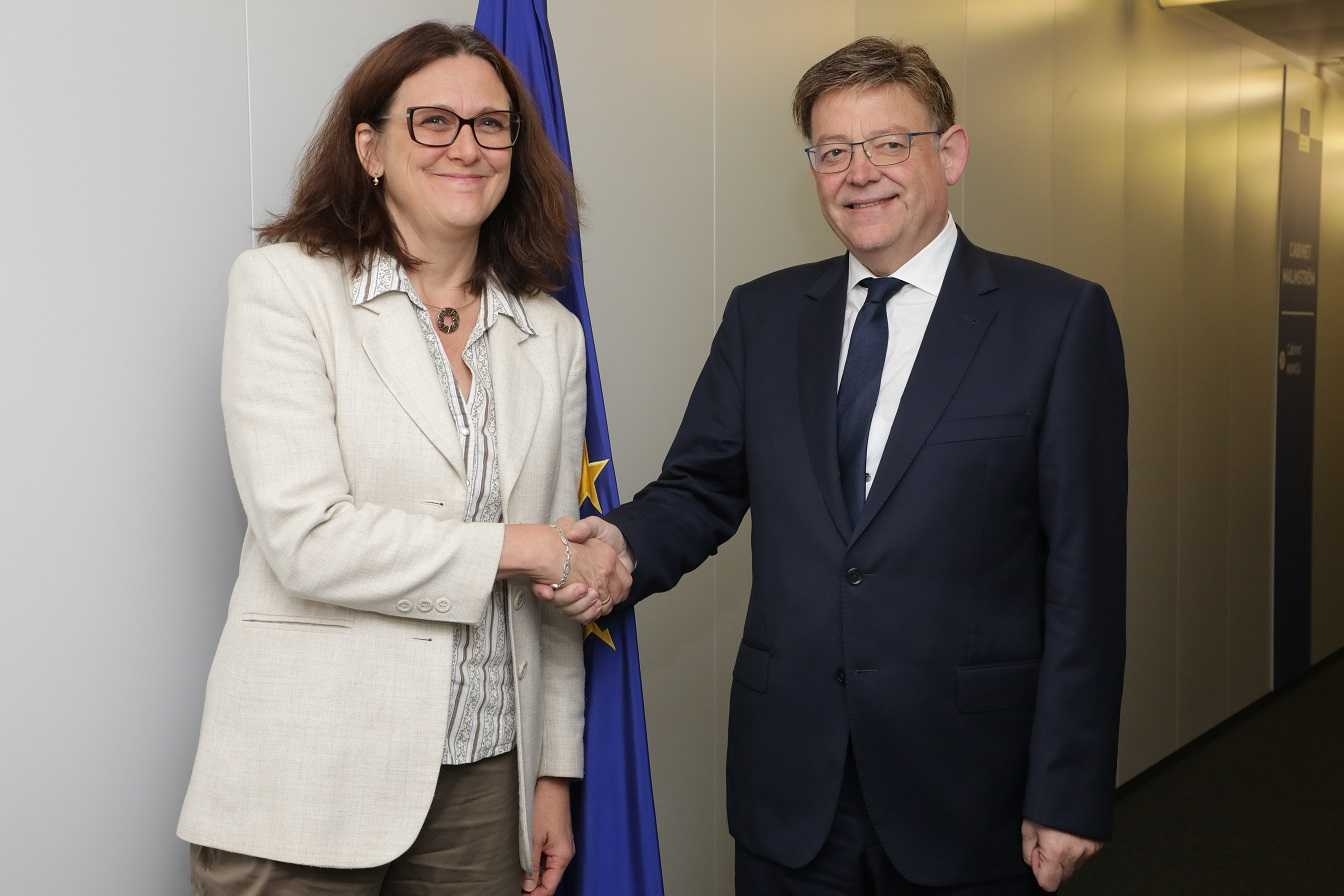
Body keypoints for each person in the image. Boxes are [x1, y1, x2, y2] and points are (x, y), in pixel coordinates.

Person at [548, 37, 1127, 896]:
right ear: (813, 167)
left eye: (891, 143)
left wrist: (1070, 787)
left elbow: (1085, 573)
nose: (862, 173)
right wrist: (615, 549)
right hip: (792, 790)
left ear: (951, 152)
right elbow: (702, 486)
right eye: (833, 151)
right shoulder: (765, 316)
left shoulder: (1057, 319)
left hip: (970, 791)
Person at [177, 22, 628, 896]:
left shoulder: (553, 336)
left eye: (493, 126)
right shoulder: (285, 287)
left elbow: (554, 599)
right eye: (434, 121)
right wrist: (526, 545)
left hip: (488, 784)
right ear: (370, 145)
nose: (468, 146)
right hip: (307, 775)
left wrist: (551, 776)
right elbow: (306, 538)